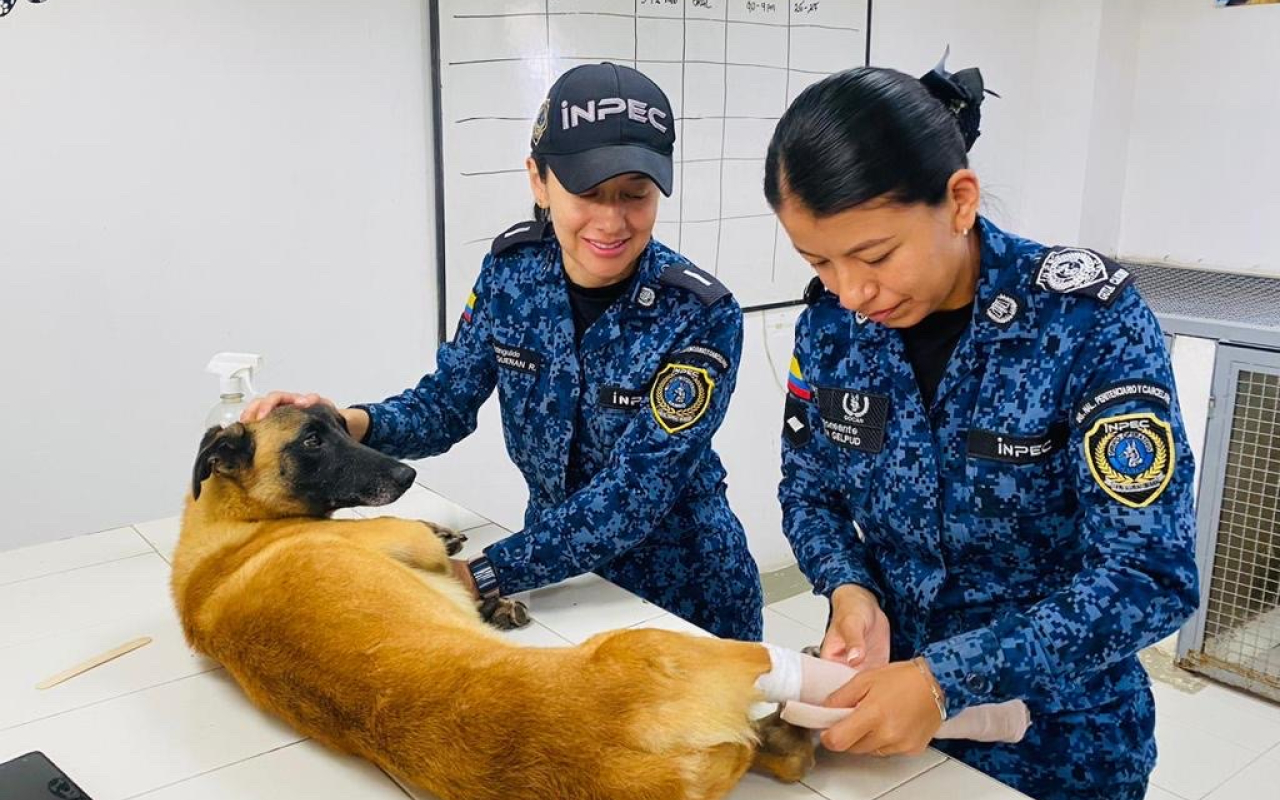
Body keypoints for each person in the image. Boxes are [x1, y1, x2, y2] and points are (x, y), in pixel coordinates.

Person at [765, 60, 1199, 800]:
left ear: (959, 200)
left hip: (1060, 745)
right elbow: (809, 490)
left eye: (874, 256)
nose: (852, 291)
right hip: (888, 737)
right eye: (819, 261)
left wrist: (944, 679)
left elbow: (1149, 575)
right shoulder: (832, 327)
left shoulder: (1086, 321)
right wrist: (848, 589)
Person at [243, 62, 763, 641]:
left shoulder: (698, 313)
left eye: (635, 195)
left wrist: (478, 575)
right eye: (588, 194)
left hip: (684, 598)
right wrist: (341, 425)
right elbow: (445, 404)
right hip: (561, 588)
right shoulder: (512, 273)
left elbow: (634, 495)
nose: (612, 221)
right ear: (538, 181)